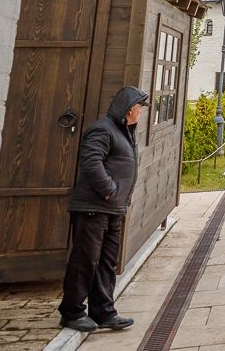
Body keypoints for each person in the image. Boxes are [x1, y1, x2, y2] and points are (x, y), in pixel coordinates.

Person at [57, 86, 149, 333]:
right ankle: (72, 311)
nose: (140, 113)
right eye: (139, 108)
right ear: (129, 110)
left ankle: (103, 311)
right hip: (93, 207)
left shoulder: (124, 132)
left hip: (112, 209)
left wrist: (117, 199)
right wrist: (109, 190)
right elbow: (91, 161)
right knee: (85, 260)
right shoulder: (102, 129)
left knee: (106, 263)